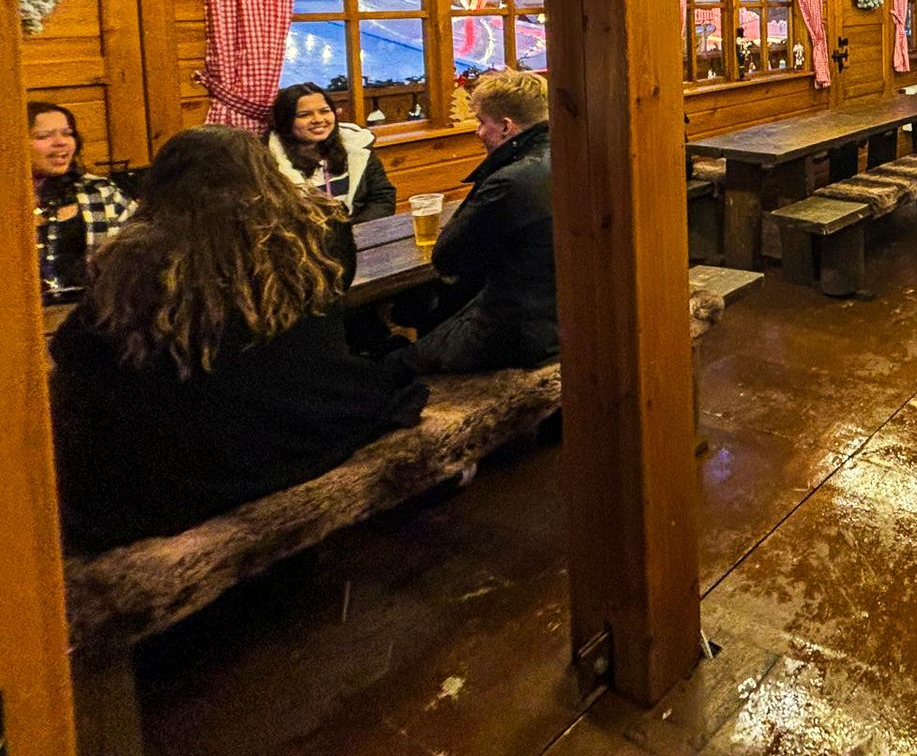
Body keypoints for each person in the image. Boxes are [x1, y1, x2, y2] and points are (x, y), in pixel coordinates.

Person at [47, 124, 426, 552]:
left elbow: (71, 350)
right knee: (381, 372)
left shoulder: (136, 257)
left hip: (198, 459)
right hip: (307, 418)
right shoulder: (319, 229)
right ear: (265, 171)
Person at [390, 70, 555, 374]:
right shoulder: (573, 155)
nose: (477, 132)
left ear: (506, 126)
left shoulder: (509, 182)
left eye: (481, 122)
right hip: (559, 318)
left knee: (394, 366)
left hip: (518, 331)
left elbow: (448, 257)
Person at [29, 101, 133, 304]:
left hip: (88, 318)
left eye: (68, 133)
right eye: (43, 136)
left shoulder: (101, 192)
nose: (61, 142)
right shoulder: (9, 202)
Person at [265, 83, 397, 223]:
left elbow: (382, 197)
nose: (318, 120)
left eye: (324, 111)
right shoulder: (267, 160)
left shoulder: (356, 146)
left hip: (359, 237)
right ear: (285, 121)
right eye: (305, 115)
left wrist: (351, 234)